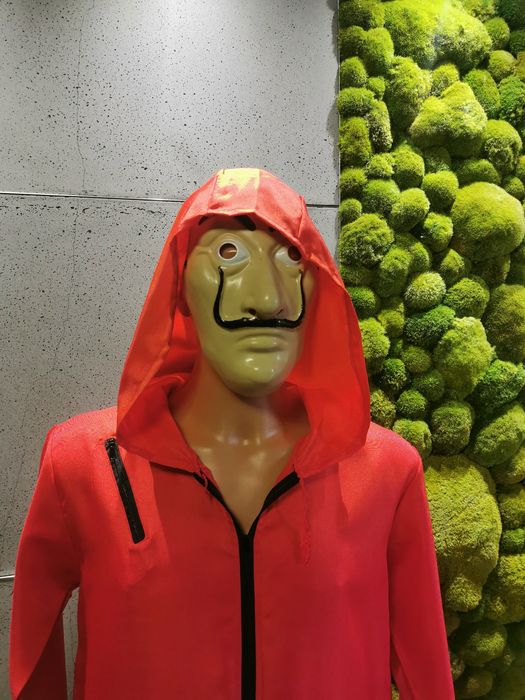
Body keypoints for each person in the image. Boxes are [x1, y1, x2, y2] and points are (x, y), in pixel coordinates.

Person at [9, 167, 455, 699]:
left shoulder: (387, 471)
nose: (266, 298)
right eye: (228, 254)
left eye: (291, 257)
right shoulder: (83, 463)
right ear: (179, 285)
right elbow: (32, 642)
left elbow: (425, 670)